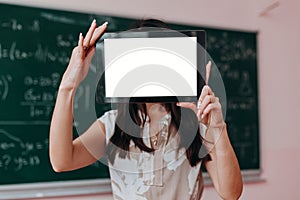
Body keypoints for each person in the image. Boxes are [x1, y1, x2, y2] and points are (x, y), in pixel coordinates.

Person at [49, 19, 243, 200]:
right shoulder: (112, 125)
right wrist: (68, 85)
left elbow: (231, 193)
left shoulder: (196, 123)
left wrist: (217, 126)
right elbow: (62, 161)